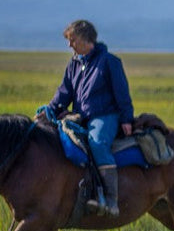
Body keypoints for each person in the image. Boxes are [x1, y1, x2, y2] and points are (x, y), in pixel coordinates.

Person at [37, 20, 133, 218]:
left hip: (105, 116)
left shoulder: (109, 62)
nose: (69, 45)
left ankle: (111, 200)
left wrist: (126, 119)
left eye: (72, 40)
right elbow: (63, 94)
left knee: (96, 143)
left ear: (85, 39)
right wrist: (48, 112)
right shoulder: (74, 64)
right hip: (82, 117)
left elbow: (122, 94)